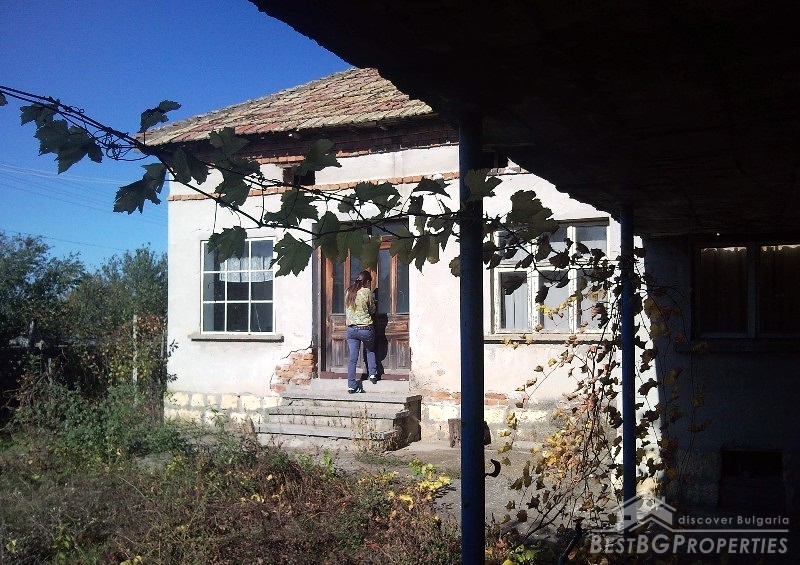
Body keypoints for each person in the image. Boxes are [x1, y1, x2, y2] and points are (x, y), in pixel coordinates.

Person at [345, 270, 378, 393]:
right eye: (370, 282)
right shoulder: (366, 291)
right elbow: (372, 309)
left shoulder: (349, 291)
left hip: (351, 329)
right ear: (367, 281)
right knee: (370, 349)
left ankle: (351, 385)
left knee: (352, 358)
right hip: (365, 328)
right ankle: (373, 374)